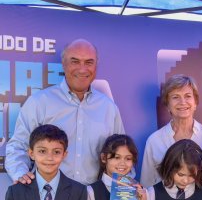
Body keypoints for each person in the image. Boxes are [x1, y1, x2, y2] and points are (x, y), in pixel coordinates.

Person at [5, 38, 125, 186]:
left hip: (94, 199)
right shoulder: (39, 102)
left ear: (96, 66)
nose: (82, 69)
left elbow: (122, 154)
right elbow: (18, 147)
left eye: (89, 62)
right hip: (49, 199)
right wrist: (21, 175)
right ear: (63, 64)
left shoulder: (109, 108)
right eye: (75, 61)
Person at [140, 74, 202, 187]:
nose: (182, 102)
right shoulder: (154, 140)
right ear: (167, 105)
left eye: (188, 96)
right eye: (175, 97)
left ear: (195, 103)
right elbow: (147, 184)